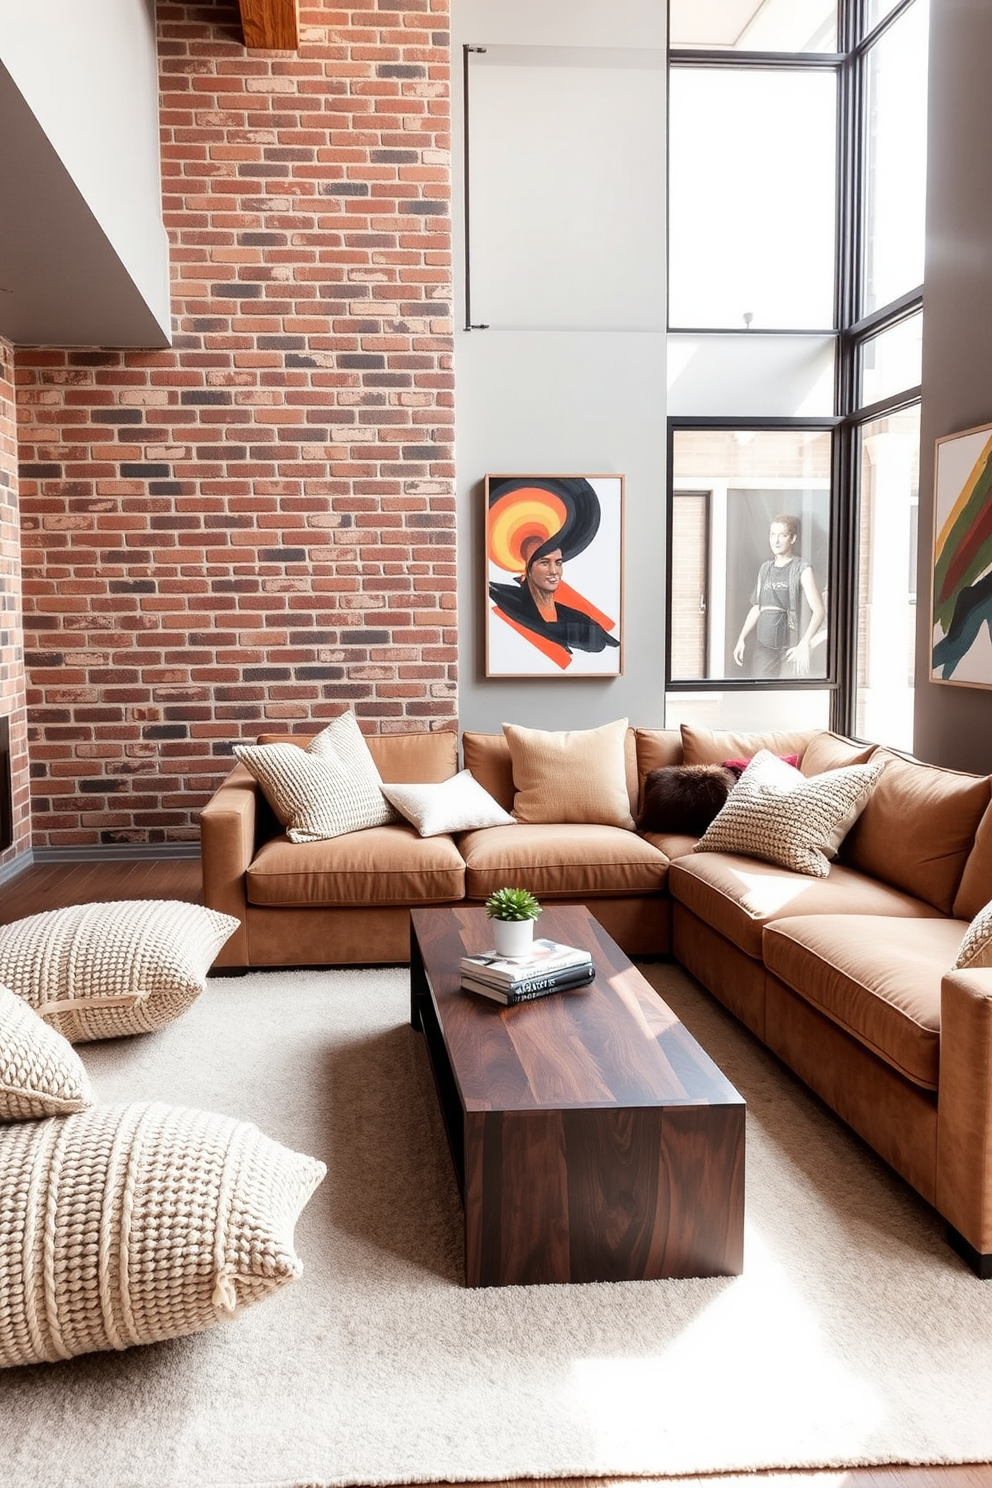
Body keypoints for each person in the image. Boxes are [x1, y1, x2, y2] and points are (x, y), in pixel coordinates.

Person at [488, 536, 620, 655]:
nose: (554, 571)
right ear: (527, 571)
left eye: (558, 563)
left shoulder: (581, 621)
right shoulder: (505, 604)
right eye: (544, 563)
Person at [733, 514, 825, 678]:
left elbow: (819, 611)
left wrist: (804, 644)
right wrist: (741, 638)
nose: (776, 541)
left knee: (787, 697)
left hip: (789, 649)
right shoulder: (765, 569)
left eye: (782, 535)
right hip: (764, 650)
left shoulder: (802, 569)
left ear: (793, 538)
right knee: (762, 695)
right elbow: (757, 607)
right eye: (773, 535)